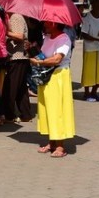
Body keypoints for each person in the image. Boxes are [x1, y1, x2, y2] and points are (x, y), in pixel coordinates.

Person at [31, 21, 75, 158]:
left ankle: (60, 145)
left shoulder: (64, 39)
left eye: (47, 23)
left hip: (58, 76)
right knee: (47, 109)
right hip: (46, 76)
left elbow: (57, 59)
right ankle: (51, 142)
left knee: (57, 110)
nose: (44, 24)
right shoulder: (48, 38)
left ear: (54, 24)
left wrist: (39, 62)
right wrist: (33, 51)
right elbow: (44, 55)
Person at [3, 11, 32, 122]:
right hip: (20, 57)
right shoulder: (16, 17)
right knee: (21, 88)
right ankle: (26, 114)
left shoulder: (15, 17)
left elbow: (20, 36)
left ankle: (9, 115)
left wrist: (6, 33)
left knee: (11, 87)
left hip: (17, 57)